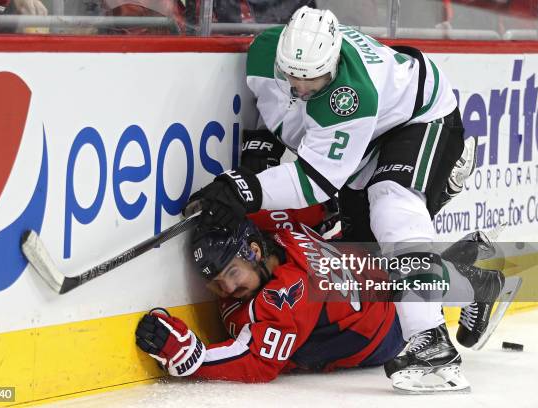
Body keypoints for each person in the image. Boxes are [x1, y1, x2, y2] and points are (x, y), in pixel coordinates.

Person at [181, 6, 506, 393]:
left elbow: (312, 182)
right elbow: (274, 113)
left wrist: (243, 189)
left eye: (313, 79)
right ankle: (475, 282)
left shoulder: (349, 97)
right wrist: (258, 155)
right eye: (292, 77)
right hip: (370, 135)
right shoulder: (265, 53)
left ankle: (431, 343)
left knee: (394, 206)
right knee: (366, 259)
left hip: (418, 117)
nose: (300, 87)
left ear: (333, 65)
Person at [135, 208, 406, 383]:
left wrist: (193, 357)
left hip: (384, 333)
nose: (227, 290)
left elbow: (259, 363)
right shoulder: (274, 234)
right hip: (373, 279)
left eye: (232, 273)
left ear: (254, 251)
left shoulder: (289, 293)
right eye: (217, 282)